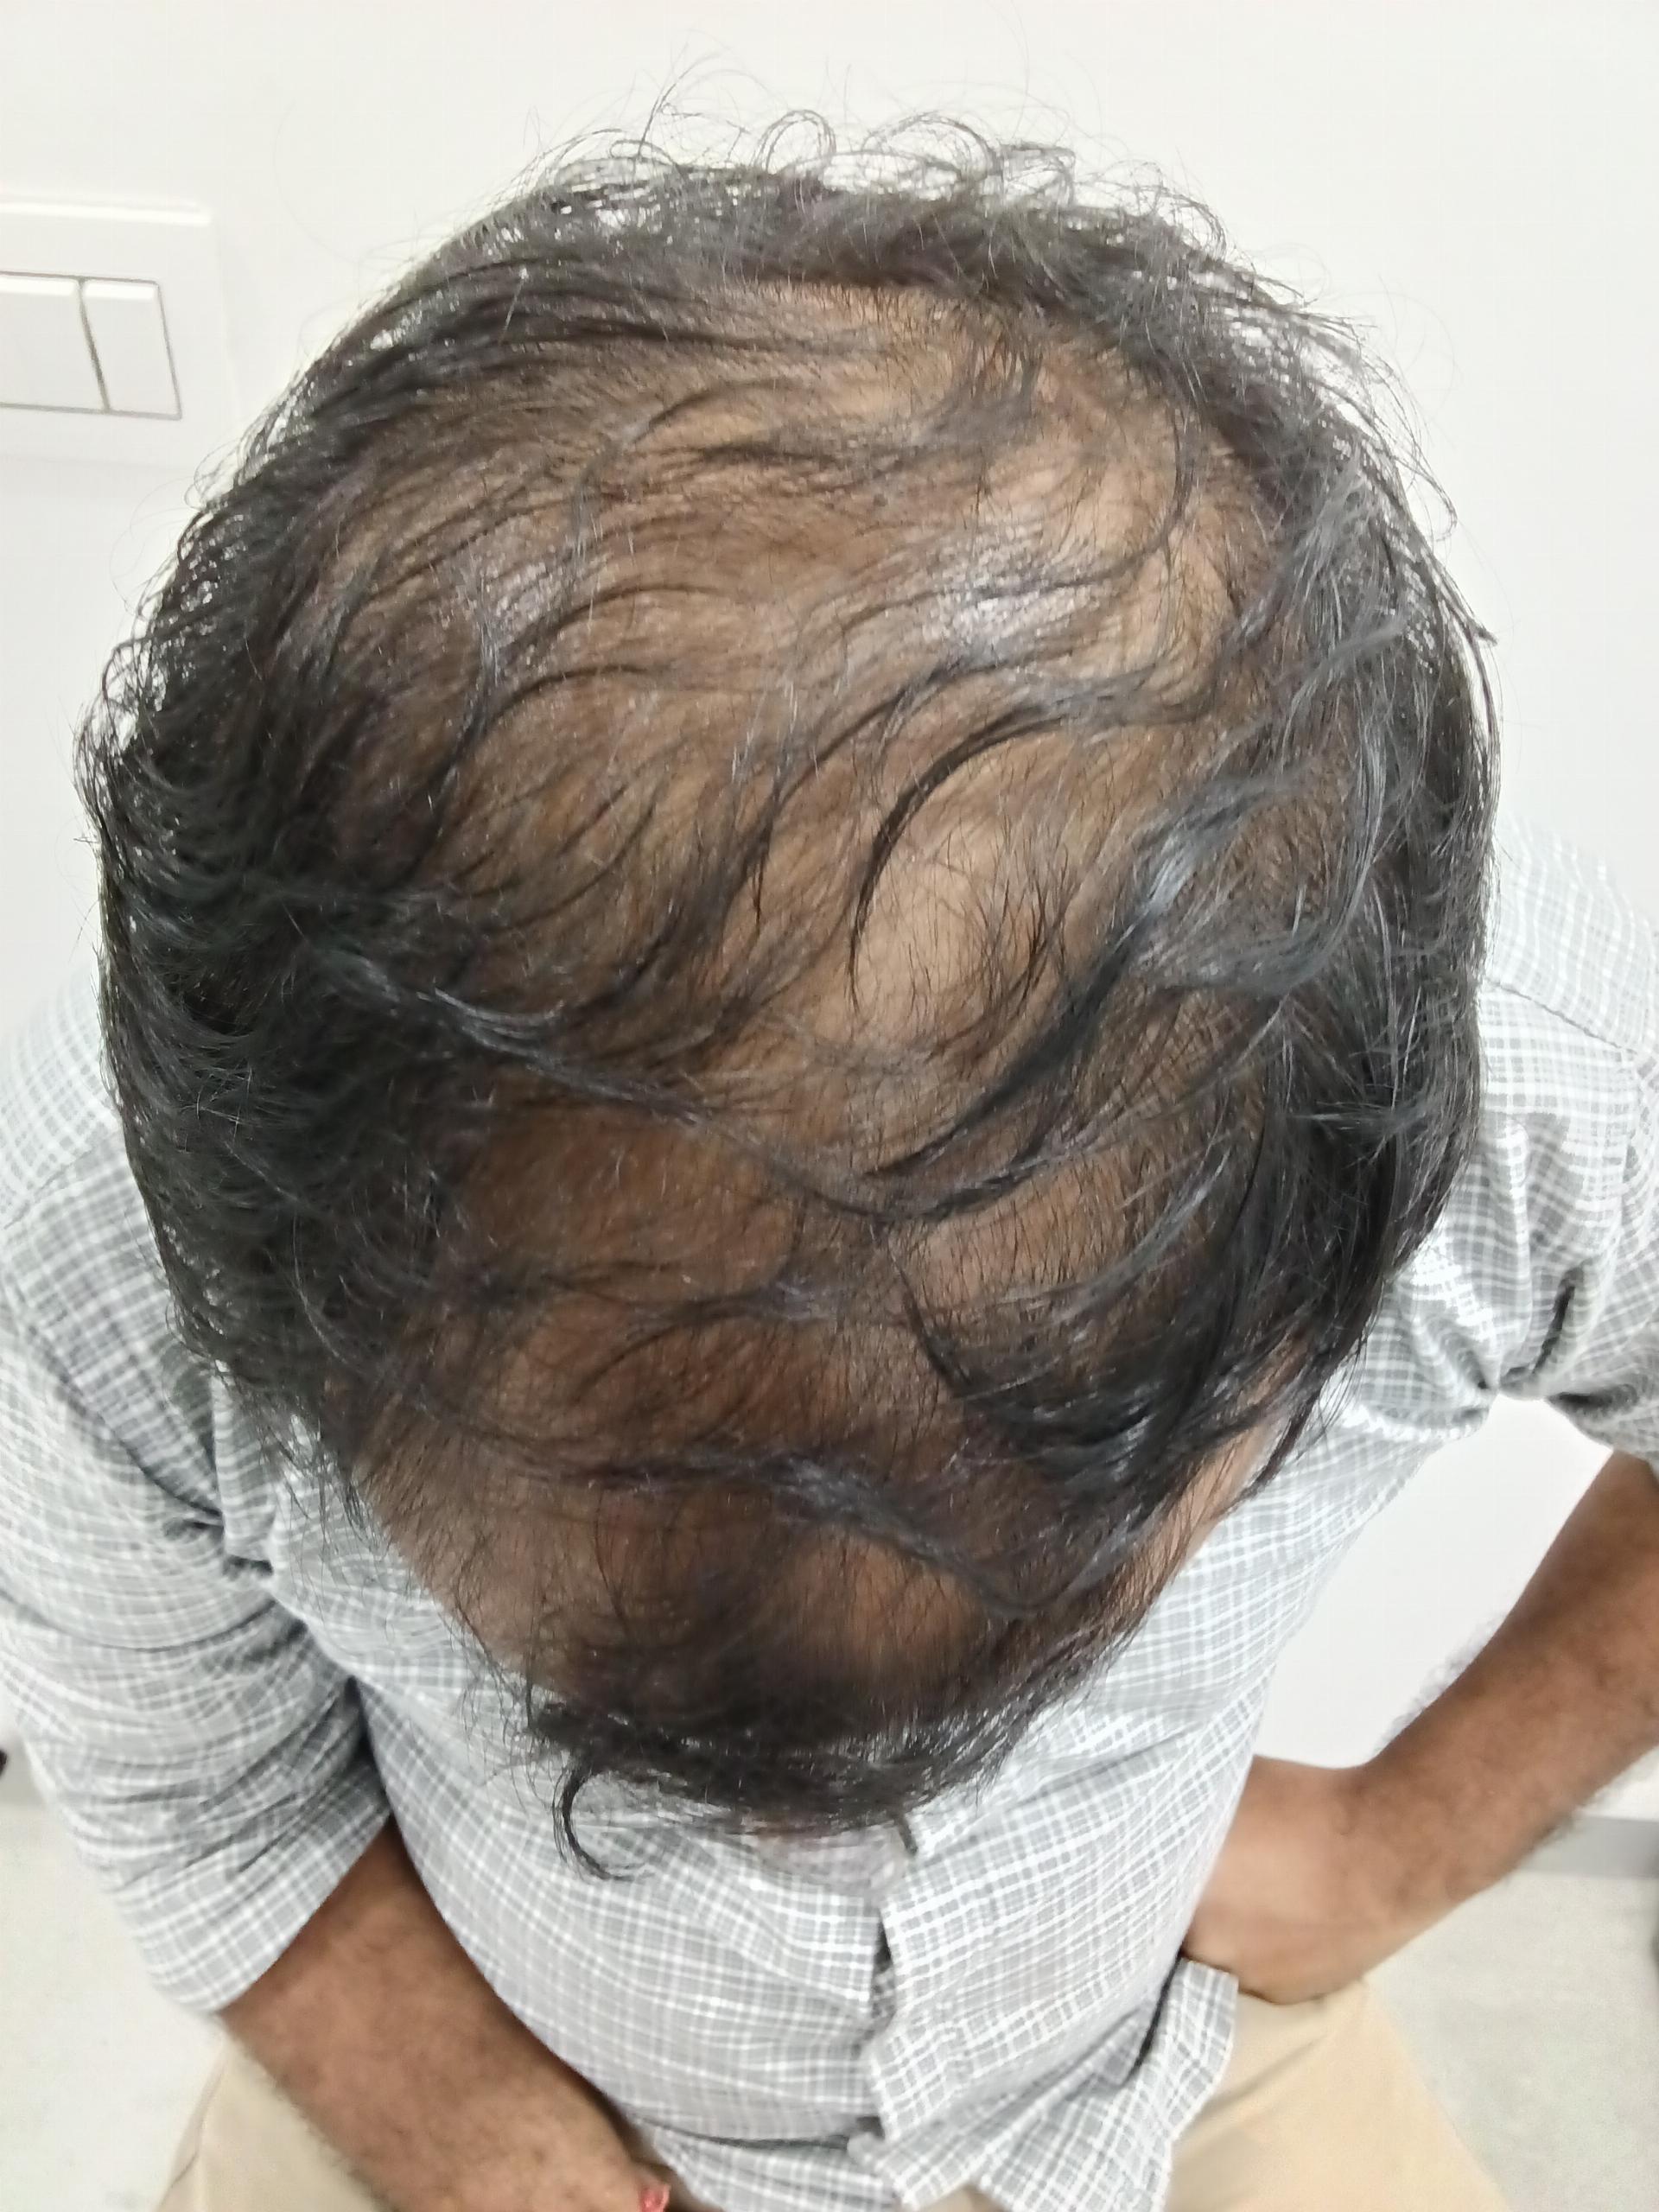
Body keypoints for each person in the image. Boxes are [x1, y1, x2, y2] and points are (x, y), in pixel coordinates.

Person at [4, 124, 1659, 2212]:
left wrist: (1395, 1841)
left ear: (1318, 1289)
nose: (802, 1842)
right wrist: (459, 2122)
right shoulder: (120, 1236)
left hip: (1141, 2051)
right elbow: (194, 1789)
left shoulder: (1519, 1081)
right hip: (474, 2037)